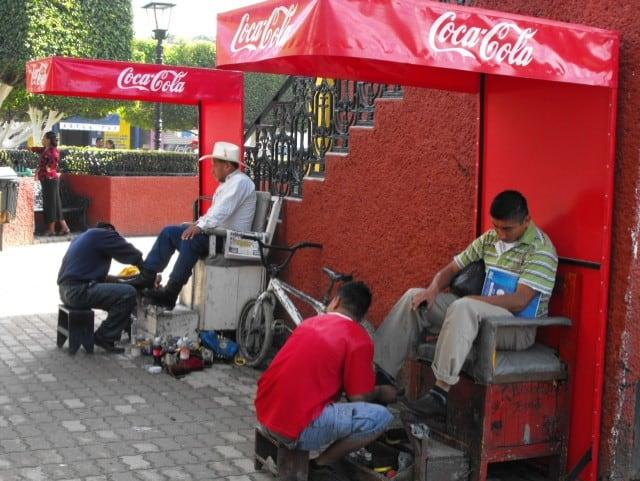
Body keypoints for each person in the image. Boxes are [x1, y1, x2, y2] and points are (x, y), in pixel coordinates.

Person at [374, 190, 558, 418]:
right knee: (415, 297)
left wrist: (473, 300)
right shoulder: (490, 239)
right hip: (477, 314)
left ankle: (439, 394)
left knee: (464, 307)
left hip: (515, 327)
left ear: (526, 221)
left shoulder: (541, 251)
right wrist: (432, 290)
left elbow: (520, 300)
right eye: (496, 226)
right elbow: (452, 268)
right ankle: (379, 374)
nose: (500, 234)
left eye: (507, 229)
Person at [255, 281, 393, 474]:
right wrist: (381, 391)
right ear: (362, 316)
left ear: (336, 301)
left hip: (265, 412)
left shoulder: (309, 323)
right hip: (293, 428)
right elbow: (359, 398)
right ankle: (320, 465)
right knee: (381, 417)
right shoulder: (358, 337)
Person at [125, 141, 256, 309]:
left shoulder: (240, 182)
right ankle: (147, 276)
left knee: (191, 239)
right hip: (217, 235)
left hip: (233, 242)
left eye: (215, 165)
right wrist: (198, 224)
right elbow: (214, 214)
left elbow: (222, 211)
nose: (212, 169)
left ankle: (170, 293)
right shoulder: (229, 183)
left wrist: (200, 226)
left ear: (228, 166)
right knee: (169, 232)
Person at [58, 222, 143, 353]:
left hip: (65, 291)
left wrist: (134, 278)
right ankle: (104, 336)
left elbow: (106, 280)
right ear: (109, 231)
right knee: (129, 293)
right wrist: (148, 272)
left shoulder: (83, 238)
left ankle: (126, 327)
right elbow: (133, 254)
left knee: (119, 294)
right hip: (78, 291)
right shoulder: (103, 234)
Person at [35, 131, 70, 236]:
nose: (42, 140)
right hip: (48, 180)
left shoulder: (52, 151)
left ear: (48, 139)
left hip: (50, 180)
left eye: (44, 138)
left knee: (50, 204)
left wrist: (47, 169)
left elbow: (53, 164)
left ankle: (51, 230)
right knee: (55, 205)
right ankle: (65, 228)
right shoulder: (46, 149)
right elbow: (38, 150)